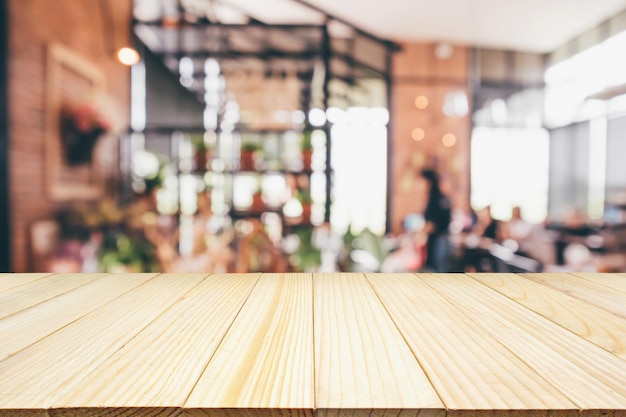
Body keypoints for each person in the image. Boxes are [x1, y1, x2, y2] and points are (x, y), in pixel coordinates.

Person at [418, 169, 452, 272]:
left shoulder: (434, 199)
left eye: (421, 182)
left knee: (437, 272)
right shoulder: (443, 197)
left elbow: (431, 225)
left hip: (438, 242)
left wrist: (417, 235)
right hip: (445, 240)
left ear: (428, 182)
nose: (419, 185)